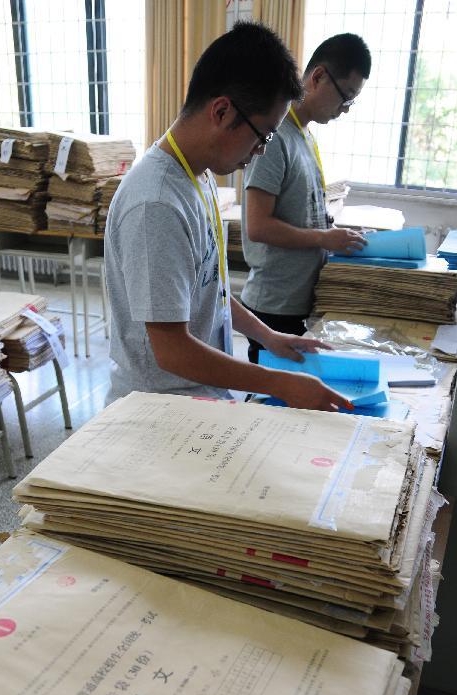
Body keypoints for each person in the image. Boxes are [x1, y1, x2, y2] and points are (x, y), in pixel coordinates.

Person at [104, 21, 350, 412]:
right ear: (222, 110)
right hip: (156, 411)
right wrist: (281, 383)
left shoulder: (197, 176)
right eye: (264, 134)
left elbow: (209, 289)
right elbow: (171, 351)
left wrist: (268, 336)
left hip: (196, 398)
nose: (260, 151)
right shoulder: (156, 204)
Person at [241, 33, 372, 362]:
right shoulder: (275, 139)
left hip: (298, 299)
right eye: (346, 98)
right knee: (271, 403)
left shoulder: (305, 135)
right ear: (318, 77)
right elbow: (258, 226)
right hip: (273, 306)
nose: (344, 110)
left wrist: (335, 236)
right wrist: (324, 238)